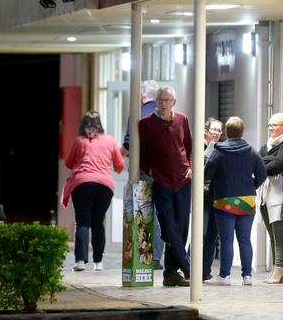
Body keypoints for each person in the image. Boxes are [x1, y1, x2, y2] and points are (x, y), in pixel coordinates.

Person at [139, 86, 193, 287]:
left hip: (184, 180)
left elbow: (189, 146)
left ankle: (170, 273)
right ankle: (187, 266)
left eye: (167, 100)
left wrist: (191, 166)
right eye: (160, 100)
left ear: (174, 102)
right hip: (162, 182)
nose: (163, 103)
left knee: (182, 228)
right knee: (169, 226)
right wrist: (150, 171)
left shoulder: (182, 119)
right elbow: (141, 154)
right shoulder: (145, 124)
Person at [204, 117, 266, 286]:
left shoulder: (219, 151)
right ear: (242, 131)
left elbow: (206, 174)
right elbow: (262, 174)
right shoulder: (252, 151)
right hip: (247, 201)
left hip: (224, 200)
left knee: (226, 240)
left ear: (226, 132)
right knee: (245, 239)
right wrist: (249, 187)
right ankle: (247, 276)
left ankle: (225, 276)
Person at [61, 111, 125, 271]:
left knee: (83, 222)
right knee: (98, 223)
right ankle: (98, 262)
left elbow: (69, 163)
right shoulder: (110, 140)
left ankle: (80, 261)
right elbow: (120, 165)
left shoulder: (79, 141)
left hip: (81, 184)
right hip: (104, 186)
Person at [121, 80, 165, 270]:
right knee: (163, 212)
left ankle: (147, 255)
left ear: (142, 95)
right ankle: (158, 256)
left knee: (146, 210)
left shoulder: (137, 112)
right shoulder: (166, 114)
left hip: (145, 170)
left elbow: (129, 143)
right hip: (166, 171)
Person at [259, 112, 283, 284]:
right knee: (272, 232)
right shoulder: (267, 145)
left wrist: (265, 161)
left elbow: (278, 166)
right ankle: (278, 270)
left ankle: (279, 268)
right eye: (269, 125)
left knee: (279, 231)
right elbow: (258, 162)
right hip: (265, 193)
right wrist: (269, 160)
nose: (271, 128)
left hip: (281, 192)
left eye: (274, 125)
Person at [203, 117, 223, 281]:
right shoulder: (199, 147)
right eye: (213, 129)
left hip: (217, 197)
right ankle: (190, 266)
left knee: (212, 235)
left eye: (219, 130)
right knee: (200, 233)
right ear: (206, 130)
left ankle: (205, 270)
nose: (216, 133)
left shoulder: (221, 149)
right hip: (202, 197)